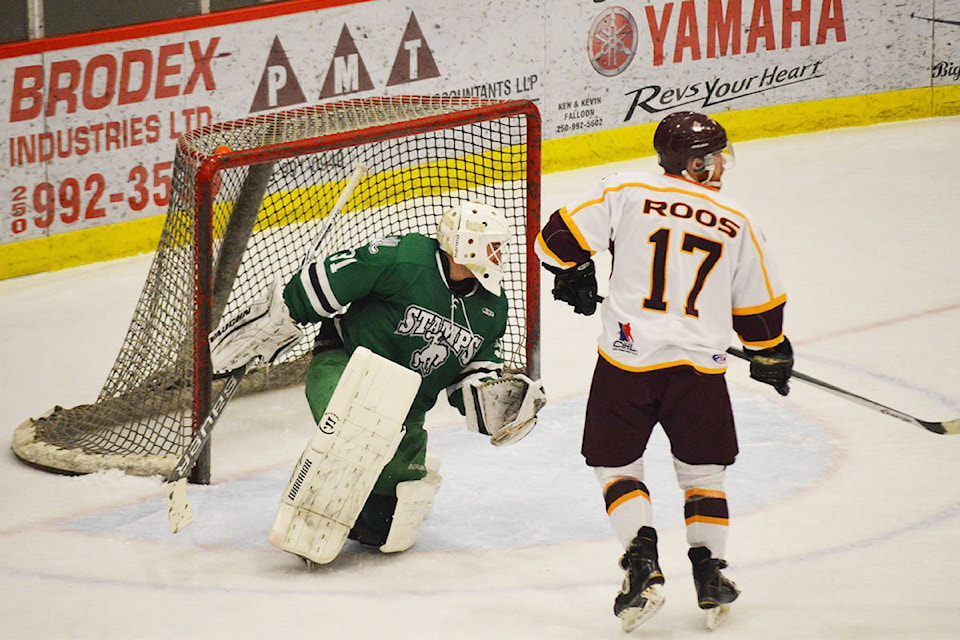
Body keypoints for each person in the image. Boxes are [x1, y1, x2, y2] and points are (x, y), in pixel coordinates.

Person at [534, 111, 793, 631]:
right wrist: (771, 353)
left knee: (617, 466)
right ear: (696, 164)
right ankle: (710, 568)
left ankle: (641, 562)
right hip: (700, 371)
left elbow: (555, 239)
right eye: (715, 155)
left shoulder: (626, 189)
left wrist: (577, 273)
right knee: (703, 474)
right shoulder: (739, 220)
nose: (722, 163)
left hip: (626, 364)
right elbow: (760, 316)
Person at [211, 200, 545, 562]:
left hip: (407, 405)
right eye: (492, 246)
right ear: (464, 245)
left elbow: (473, 372)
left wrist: (495, 402)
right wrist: (287, 312)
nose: (498, 255)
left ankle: (373, 496)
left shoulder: (491, 307)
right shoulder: (406, 259)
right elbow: (333, 277)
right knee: (355, 429)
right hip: (348, 364)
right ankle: (311, 510)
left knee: (380, 528)